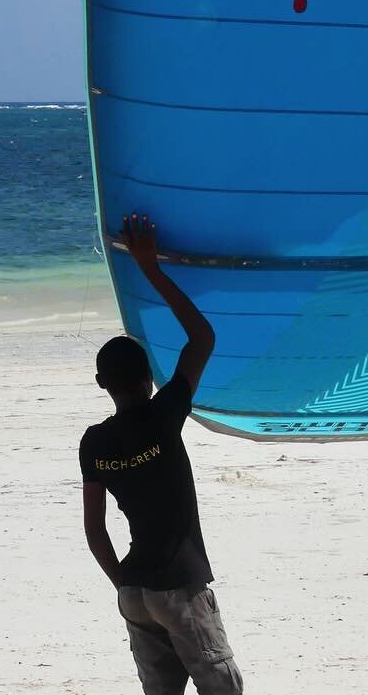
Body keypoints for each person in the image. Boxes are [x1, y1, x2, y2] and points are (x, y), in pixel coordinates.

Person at [79, 214, 243, 695]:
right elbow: (202, 338)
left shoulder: (94, 441)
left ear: (101, 384)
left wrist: (124, 585)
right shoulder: (164, 414)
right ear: (149, 376)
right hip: (178, 586)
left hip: (134, 590)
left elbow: (94, 529)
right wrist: (151, 268)